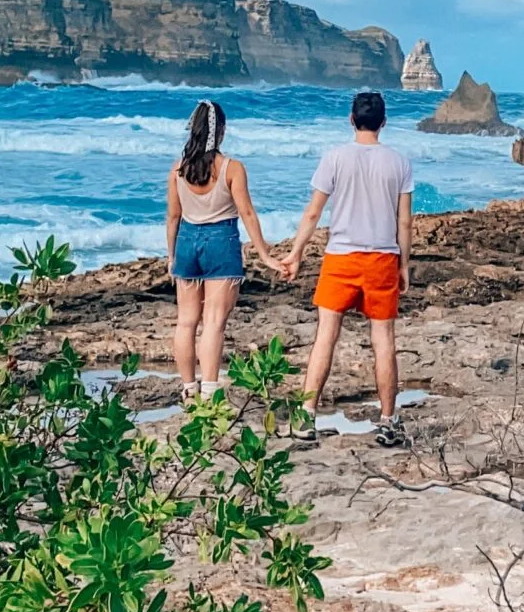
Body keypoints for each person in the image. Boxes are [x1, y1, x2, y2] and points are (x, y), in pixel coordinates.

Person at [279, 89, 416, 440]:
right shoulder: (399, 162)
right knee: (383, 339)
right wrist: (404, 263)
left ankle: (307, 416)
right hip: (383, 257)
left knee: (326, 335)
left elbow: (314, 212)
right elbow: (404, 221)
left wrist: (295, 253)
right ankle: (388, 420)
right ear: (383, 123)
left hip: (340, 256)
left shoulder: (335, 157)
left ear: (351, 119)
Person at [165, 99, 275, 397]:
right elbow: (247, 213)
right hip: (221, 242)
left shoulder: (178, 169)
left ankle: (188, 388)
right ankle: (210, 390)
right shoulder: (232, 168)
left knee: (186, 321)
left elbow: (174, 216)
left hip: (187, 242)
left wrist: (172, 255)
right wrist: (264, 253)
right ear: (221, 131)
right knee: (213, 322)